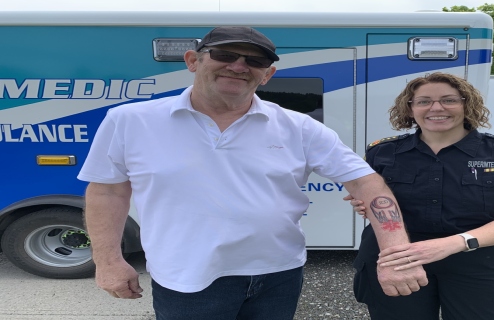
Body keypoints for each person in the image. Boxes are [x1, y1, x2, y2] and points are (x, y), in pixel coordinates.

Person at [77, 26, 427, 320]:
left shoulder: (298, 126)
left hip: (278, 274)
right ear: (193, 61)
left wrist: (395, 253)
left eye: (254, 60)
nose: (239, 66)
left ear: (267, 74)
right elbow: (108, 191)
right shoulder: (130, 121)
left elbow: (365, 181)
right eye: (225, 55)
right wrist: (107, 261)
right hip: (186, 278)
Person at [346, 72, 494, 320]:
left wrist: (454, 243)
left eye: (449, 100)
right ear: (410, 109)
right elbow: (373, 198)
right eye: (423, 101)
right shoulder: (382, 152)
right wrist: (365, 203)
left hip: (482, 261)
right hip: (400, 259)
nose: (436, 108)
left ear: (467, 104)